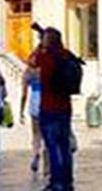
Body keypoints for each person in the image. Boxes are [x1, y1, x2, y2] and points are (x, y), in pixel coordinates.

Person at [37, 27, 77, 191]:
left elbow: (33, 60)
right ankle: (67, 181)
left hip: (49, 107)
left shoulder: (46, 58)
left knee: (53, 146)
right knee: (64, 145)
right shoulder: (66, 55)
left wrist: (40, 45)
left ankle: (57, 182)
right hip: (65, 107)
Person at [18, 50, 46, 175]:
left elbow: (24, 94)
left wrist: (21, 111)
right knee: (47, 133)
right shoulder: (45, 70)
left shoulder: (28, 72)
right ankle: (47, 164)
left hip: (34, 99)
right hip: (46, 99)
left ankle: (36, 153)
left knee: (36, 133)